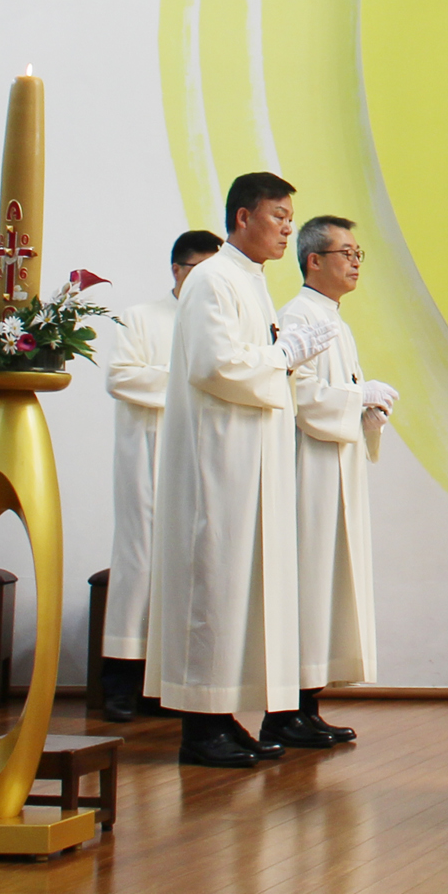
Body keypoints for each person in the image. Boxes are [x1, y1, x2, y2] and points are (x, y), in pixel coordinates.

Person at [147, 171, 336, 768]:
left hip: (251, 458)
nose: (286, 228)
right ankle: (200, 728)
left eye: (289, 218)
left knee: (239, 589)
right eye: (278, 216)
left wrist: (285, 358)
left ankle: (223, 715)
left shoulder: (249, 281)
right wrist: (284, 354)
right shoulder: (212, 278)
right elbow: (214, 365)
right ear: (242, 218)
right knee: (214, 582)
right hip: (218, 460)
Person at [271, 214, 399, 750]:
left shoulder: (335, 321)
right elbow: (296, 395)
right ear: (314, 260)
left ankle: (308, 705)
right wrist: (355, 397)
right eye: (346, 253)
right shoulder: (297, 315)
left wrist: (366, 412)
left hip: (337, 468)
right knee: (307, 587)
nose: (355, 263)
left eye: (358, 253)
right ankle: (285, 712)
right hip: (309, 472)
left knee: (327, 587)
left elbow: (335, 393)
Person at [97, 226, 222, 723]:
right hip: (148, 454)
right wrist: (190, 382)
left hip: (200, 454)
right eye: (199, 271)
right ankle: (121, 681)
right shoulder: (141, 317)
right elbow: (122, 376)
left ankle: (168, 684)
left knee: (191, 565)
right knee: (140, 559)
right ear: (177, 269)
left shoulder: (219, 322)